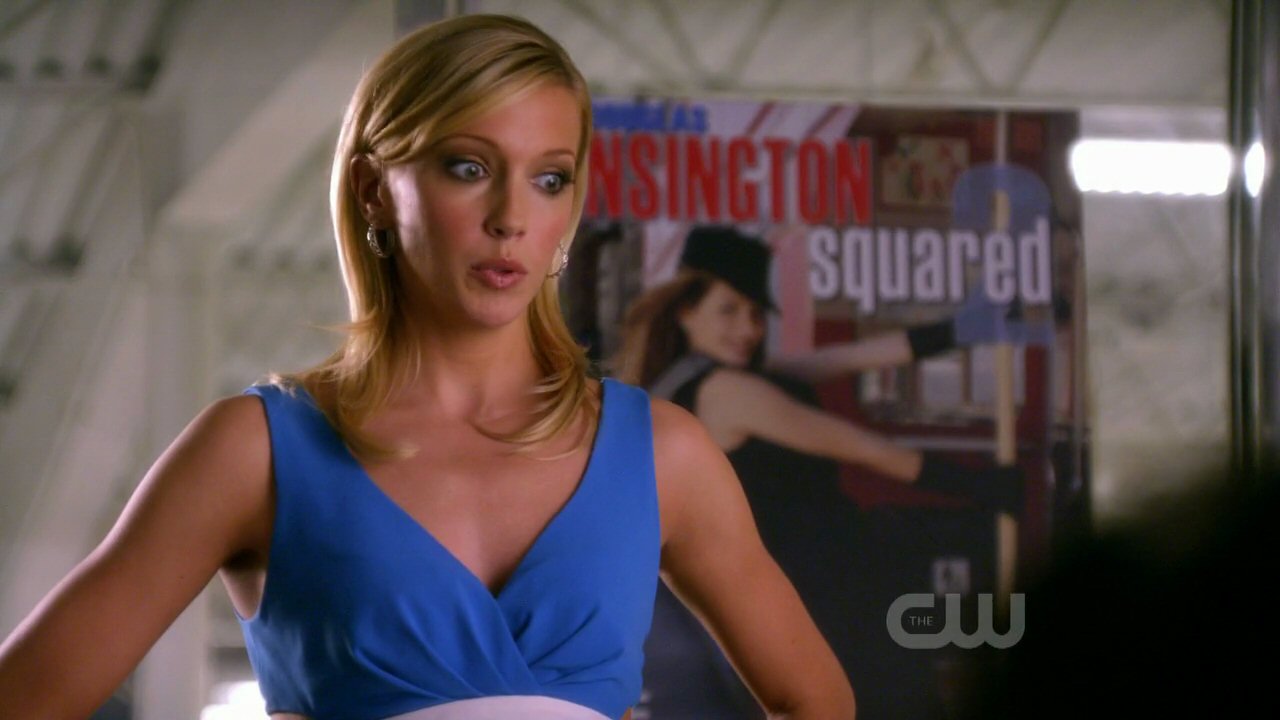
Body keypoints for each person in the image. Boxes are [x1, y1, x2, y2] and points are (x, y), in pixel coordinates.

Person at [0, 16, 853, 720]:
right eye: (468, 168)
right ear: (375, 189)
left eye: (550, 179)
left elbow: (818, 702)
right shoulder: (253, 451)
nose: (511, 216)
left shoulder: (661, 453)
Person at [615, 225, 1028, 713]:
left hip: (788, 586)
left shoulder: (681, 384)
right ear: (686, 312)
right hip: (815, 588)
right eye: (728, 310)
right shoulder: (727, 392)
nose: (747, 329)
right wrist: (982, 485)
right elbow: (866, 449)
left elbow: (849, 358)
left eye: (756, 314)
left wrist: (960, 331)